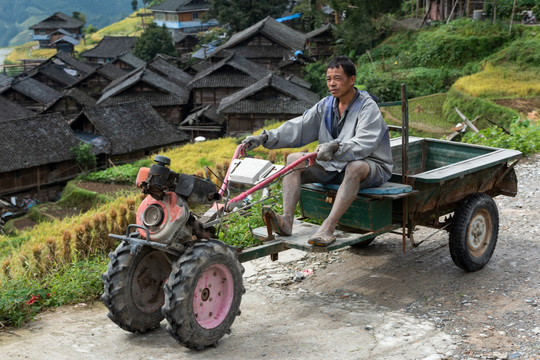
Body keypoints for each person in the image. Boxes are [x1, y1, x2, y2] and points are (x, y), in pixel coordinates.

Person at [243, 56, 393, 246]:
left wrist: (336, 146)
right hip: (335, 165)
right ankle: (287, 220)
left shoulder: (367, 106)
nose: (332, 84)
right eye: (329, 79)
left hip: (370, 166)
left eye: (337, 78)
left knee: (355, 167)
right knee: (293, 159)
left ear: (352, 79)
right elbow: (299, 126)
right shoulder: (326, 105)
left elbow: (365, 143)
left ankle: (328, 227)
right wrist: (265, 137)